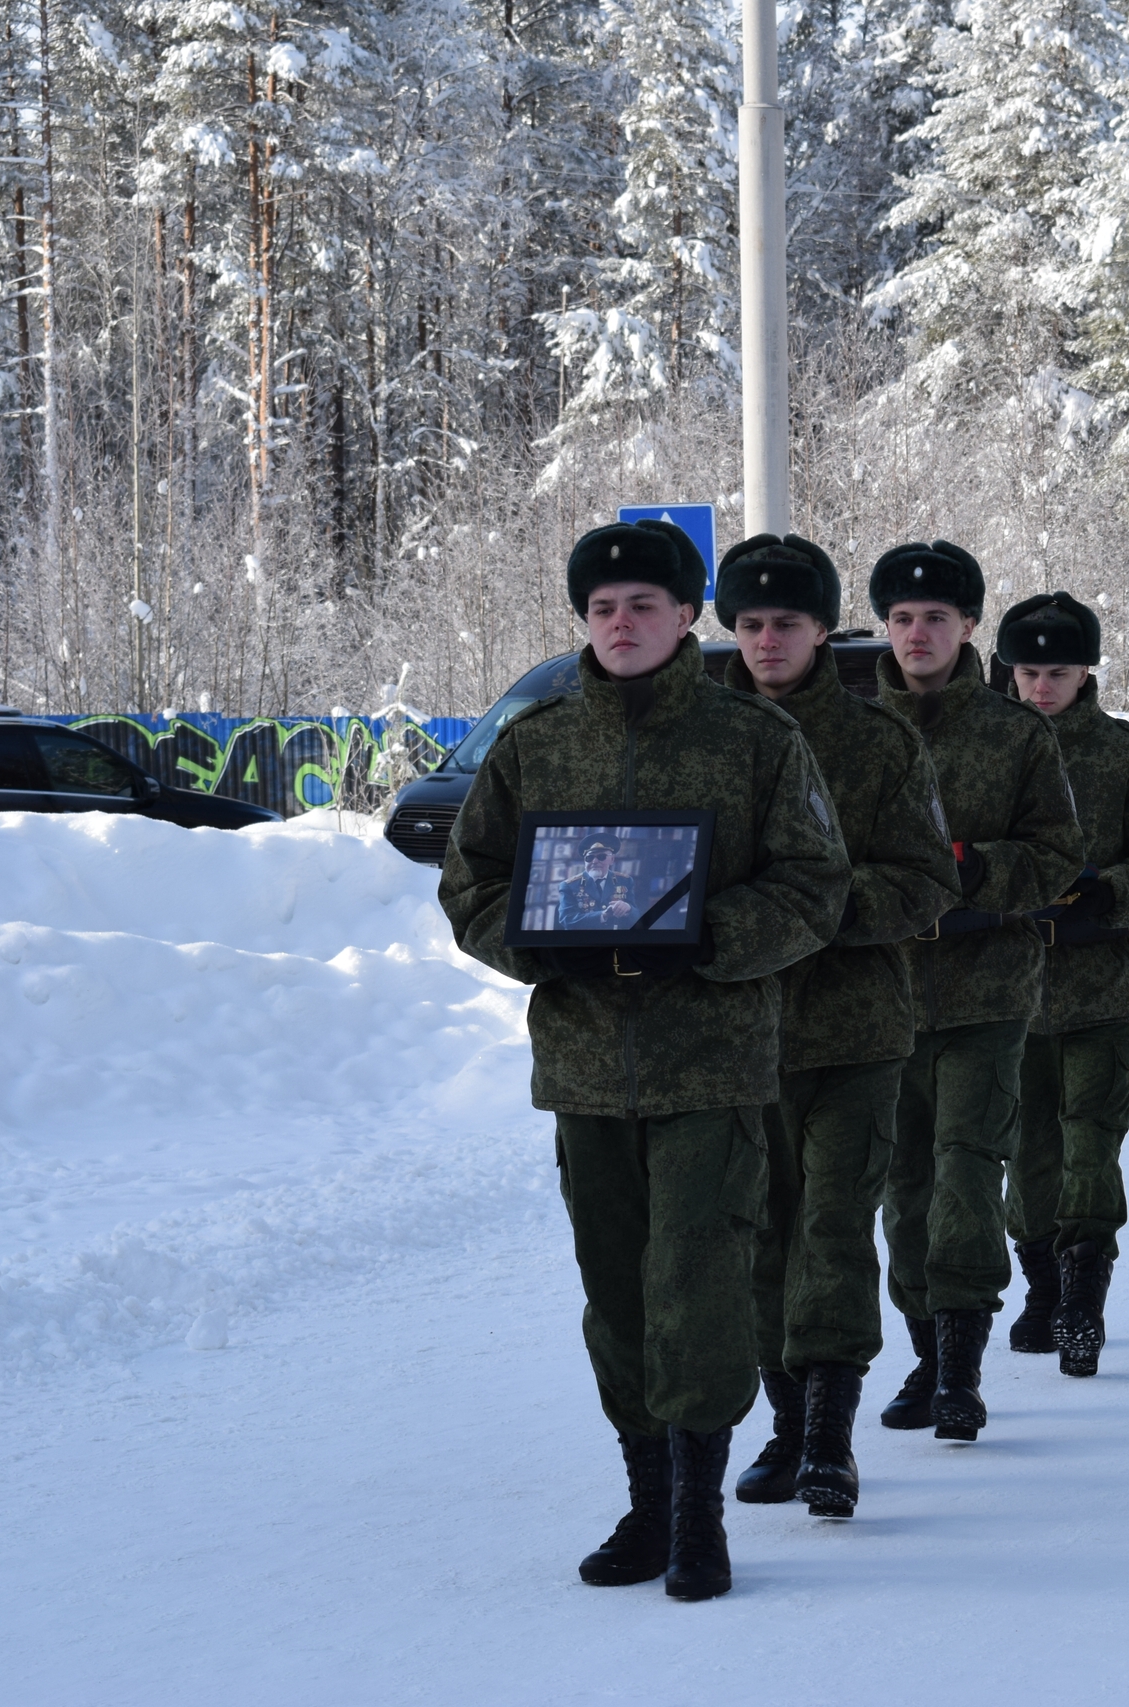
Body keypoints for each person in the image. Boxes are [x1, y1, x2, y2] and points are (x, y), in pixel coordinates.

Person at [440, 518, 851, 1602]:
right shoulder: (536, 744)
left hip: (710, 1061)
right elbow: (470, 884)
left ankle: (700, 1511)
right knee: (616, 1294)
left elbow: (816, 886)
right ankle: (645, 1495)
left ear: (682, 617)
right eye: (602, 608)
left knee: (699, 1285)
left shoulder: (756, 743)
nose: (620, 624)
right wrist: (525, 939)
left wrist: (710, 934)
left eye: (643, 605)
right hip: (583, 1064)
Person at [715, 534, 959, 1519]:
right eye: (749, 623)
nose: (767, 640)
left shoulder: (876, 743)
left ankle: (826, 1436)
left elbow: (924, 885)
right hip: (734, 1036)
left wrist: (805, 908)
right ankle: (782, 1421)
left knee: (830, 1231)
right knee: (760, 1241)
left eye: (787, 623)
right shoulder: (705, 736)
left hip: (853, 1030)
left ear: (823, 630)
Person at [870, 542, 1085, 1442]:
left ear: (968, 629)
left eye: (936, 619)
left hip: (986, 986)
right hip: (879, 993)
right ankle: (925, 1349)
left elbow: (1057, 856)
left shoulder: (1014, 735)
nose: (918, 635)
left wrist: (969, 870)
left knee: (964, 1174)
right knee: (901, 1188)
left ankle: (961, 1366)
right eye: (903, 619)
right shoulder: (852, 734)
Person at [993, 592, 1129, 1377]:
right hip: (1005, 984)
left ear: (1087, 672)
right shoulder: (988, 750)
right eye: (1028, 671)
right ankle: (1041, 1283)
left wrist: (1106, 893)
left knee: (1091, 1139)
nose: (1041, 686)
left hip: (1100, 984)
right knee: (1025, 1149)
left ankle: (1083, 1293)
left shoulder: (1127, 755)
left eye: (1058, 671)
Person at [555, 839, 636, 930]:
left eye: (601, 857)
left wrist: (629, 909)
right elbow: (567, 920)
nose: (594, 861)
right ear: (584, 861)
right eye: (589, 858)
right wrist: (602, 915)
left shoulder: (624, 881)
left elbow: (637, 916)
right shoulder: (569, 886)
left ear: (612, 859)